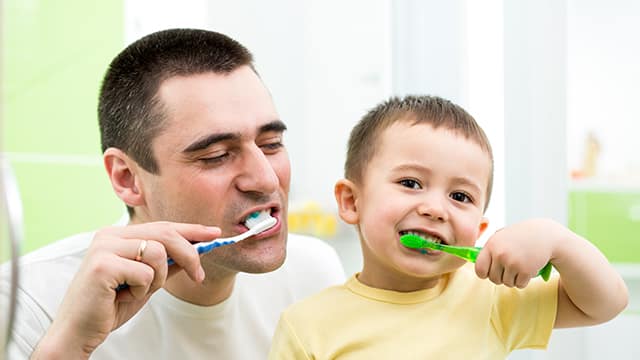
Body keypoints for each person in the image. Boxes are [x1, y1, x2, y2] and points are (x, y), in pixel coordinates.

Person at [0, 28, 345, 359]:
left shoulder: (312, 274)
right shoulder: (25, 304)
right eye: (216, 156)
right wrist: (70, 346)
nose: (266, 179)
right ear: (127, 178)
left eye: (271, 145)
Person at [268, 95, 628, 359]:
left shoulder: (490, 297)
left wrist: (557, 240)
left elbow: (606, 303)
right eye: (410, 183)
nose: (435, 208)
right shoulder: (307, 326)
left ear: (479, 229)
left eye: (460, 196)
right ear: (351, 202)